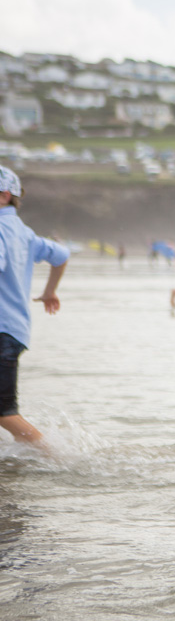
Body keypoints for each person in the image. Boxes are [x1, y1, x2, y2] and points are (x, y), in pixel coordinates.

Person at [0, 166, 69, 454]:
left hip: (1, 331)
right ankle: (24, 460)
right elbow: (61, 255)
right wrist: (50, 291)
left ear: (4, 196)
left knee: (4, 412)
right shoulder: (23, 232)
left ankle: (56, 456)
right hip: (15, 331)